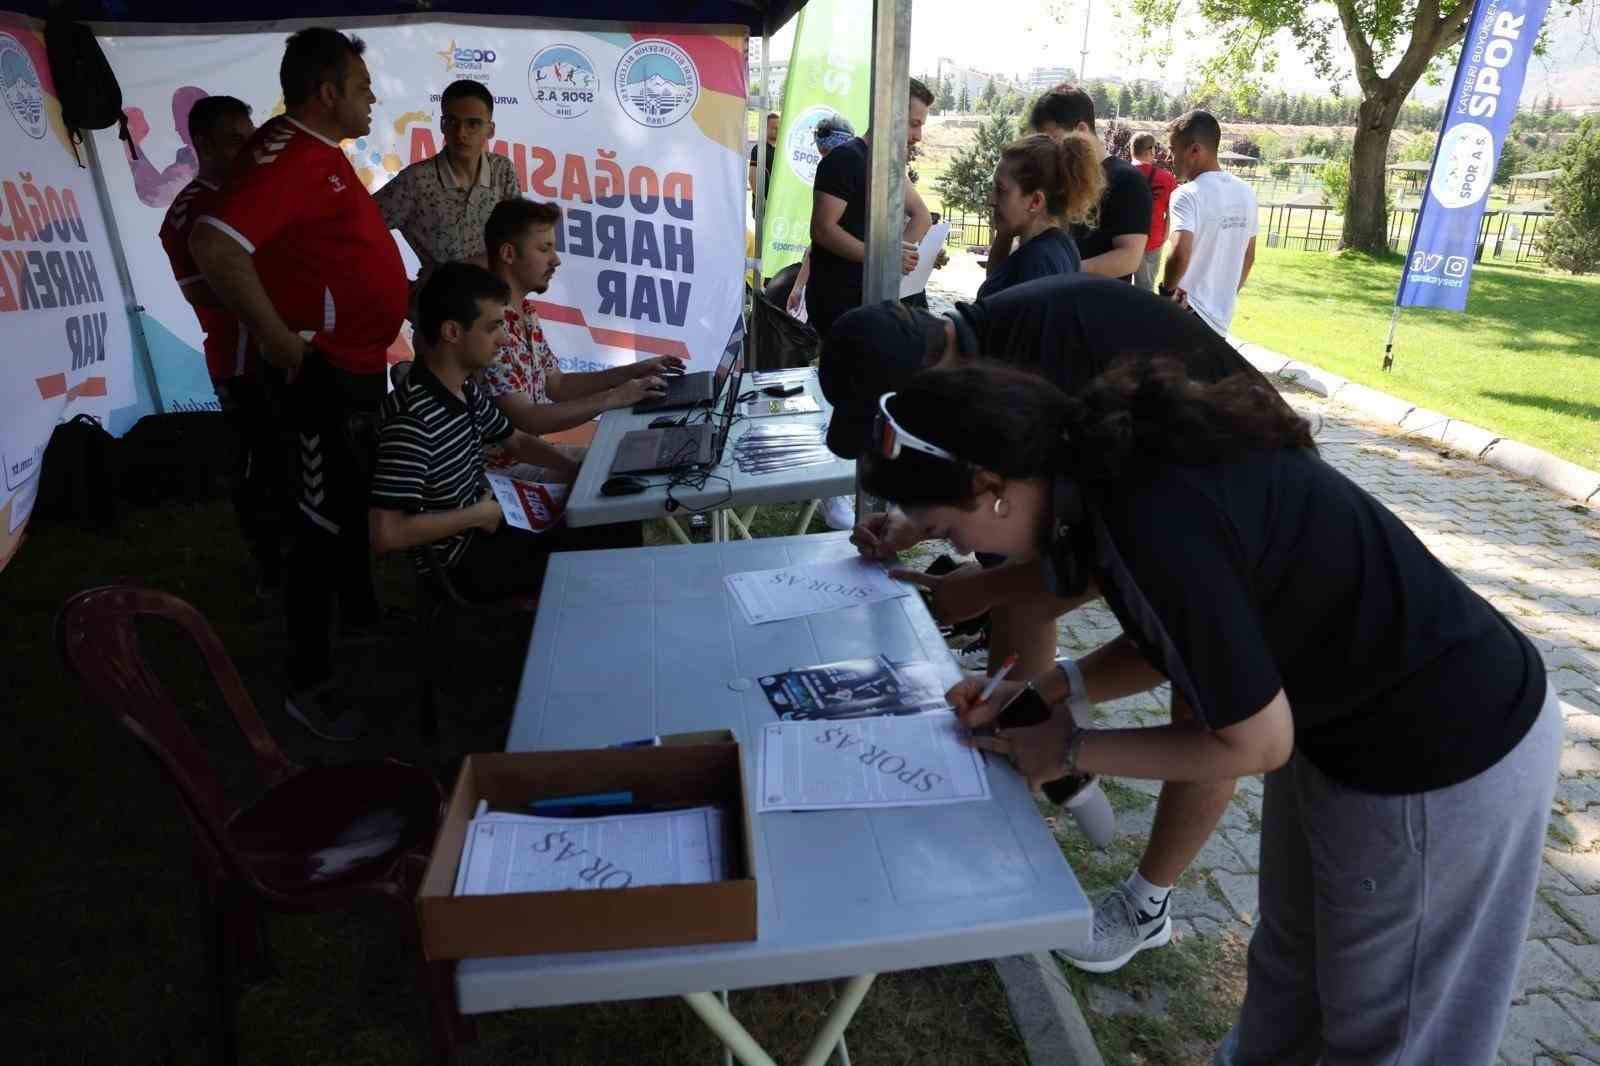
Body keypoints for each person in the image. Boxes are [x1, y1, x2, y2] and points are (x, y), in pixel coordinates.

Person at [863, 360, 1559, 1066]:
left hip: (1440, 754)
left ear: (992, 487)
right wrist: (1046, 692)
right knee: (1288, 972)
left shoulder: (1146, 513)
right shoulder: (1103, 479)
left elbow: (1256, 743)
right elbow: (1185, 638)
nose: (959, 550)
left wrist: (1070, 750)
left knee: (1392, 1034)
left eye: (947, 527)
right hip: (1341, 730)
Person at [190, 27, 408, 742]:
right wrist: (282, 342)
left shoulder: (315, 151)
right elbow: (213, 242)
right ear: (328, 91)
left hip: (352, 367)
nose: (372, 98)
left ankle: (360, 622)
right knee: (315, 525)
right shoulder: (287, 155)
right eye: (363, 87)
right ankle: (308, 684)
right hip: (317, 375)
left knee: (345, 505)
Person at [370, 264, 630, 600]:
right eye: (493, 327)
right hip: (464, 561)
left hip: (487, 523)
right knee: (607, 531)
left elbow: (516, 440)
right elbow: (386, 533)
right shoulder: (414, 420)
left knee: (609, 509)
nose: (505, 339)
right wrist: (475, 515)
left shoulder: (462, 388)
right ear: (452, 332)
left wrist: (577, 470)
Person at [158, 94, 284, 595]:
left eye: (251, 138)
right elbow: (204, 291)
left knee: (294, 458)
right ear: (203, 144)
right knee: (260, 463)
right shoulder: (190, 211)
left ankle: (301, 554)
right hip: (241, 358)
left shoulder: (255, 193)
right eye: (236, 140)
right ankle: (271, 567)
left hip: (283, 346)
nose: (248, 150)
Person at [475, 199, 682, 480]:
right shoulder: (490, 325)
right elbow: (527, 419)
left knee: (628, 462)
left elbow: (557, 384)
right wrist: (615, 397)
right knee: (618, 476)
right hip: (499, 473)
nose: (555, 260)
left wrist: (633, 372)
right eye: (544, 249)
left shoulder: (526, 312)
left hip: (530, 455)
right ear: (509, 254)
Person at [375, 79, 522, 310]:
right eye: (452, 121)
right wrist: (401, 290)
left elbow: (518, 242)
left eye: (473, 124)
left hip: (498, 308)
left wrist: (454, 269)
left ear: (490, 129)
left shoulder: (503, 170)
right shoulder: (417, 180)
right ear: (442, 125)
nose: (461, 133)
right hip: (442, 312)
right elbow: (357, 233)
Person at [806, 77, 935, 339]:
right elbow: (822, 229)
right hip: (837, 300)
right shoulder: (845, 159)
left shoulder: (890, 165)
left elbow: (922, 217)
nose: (918, 137)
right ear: (890, 114)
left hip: (872, 298)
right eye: (913, 124)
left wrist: (898, 259)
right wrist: (885, 259)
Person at [1002, 84, 1149, 283]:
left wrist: (1059, 271)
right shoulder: (1056, 176)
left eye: (1053, 139)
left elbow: (1129, 258)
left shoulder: (1127, 180)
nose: (1048, 149)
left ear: (1081, 130)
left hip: (1091, 299)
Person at [1161, 110, 1259, 337]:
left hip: (1185, 313)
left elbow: (1179, 253)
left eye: (1173, 150)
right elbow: (1249, 256)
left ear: (1194, 150)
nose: (1169, 158)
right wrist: (1224, 295)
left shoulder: (1187, 194)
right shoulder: (1247, 192)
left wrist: (1165, 294)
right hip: (1220, 320)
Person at [975, 132, 1101, 299]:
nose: (991, 200)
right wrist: (1003, 235)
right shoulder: (1061, 246)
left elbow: (993, 305)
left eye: (1001, 190)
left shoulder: (1035, 264)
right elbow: (995, 284)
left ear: (1035, 202)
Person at [783, 114, 858, 318]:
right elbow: (818, 241)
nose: (828, 162)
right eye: (823, 155)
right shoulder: (837, 173)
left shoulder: (858, 172)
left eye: (830, 154)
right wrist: (798, 287)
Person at [1130, 132, 1178, 292]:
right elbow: (1171, 212)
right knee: (1145, 289)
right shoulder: (1166, 178)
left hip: (1121, 239)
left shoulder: (1119, 173)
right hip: (1152, 239)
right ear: (1151, 150)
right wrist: (1165, 235)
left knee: (1118, 288)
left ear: (1132, 150)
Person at [750, 111, 779, 217]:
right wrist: (763, 201)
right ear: (765, 128)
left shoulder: (783, 150)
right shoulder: (759, 149)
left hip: (779, 206)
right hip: (764, 206)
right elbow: (752, 178)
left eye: (779, 127)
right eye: (774, 128)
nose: (777, 130)